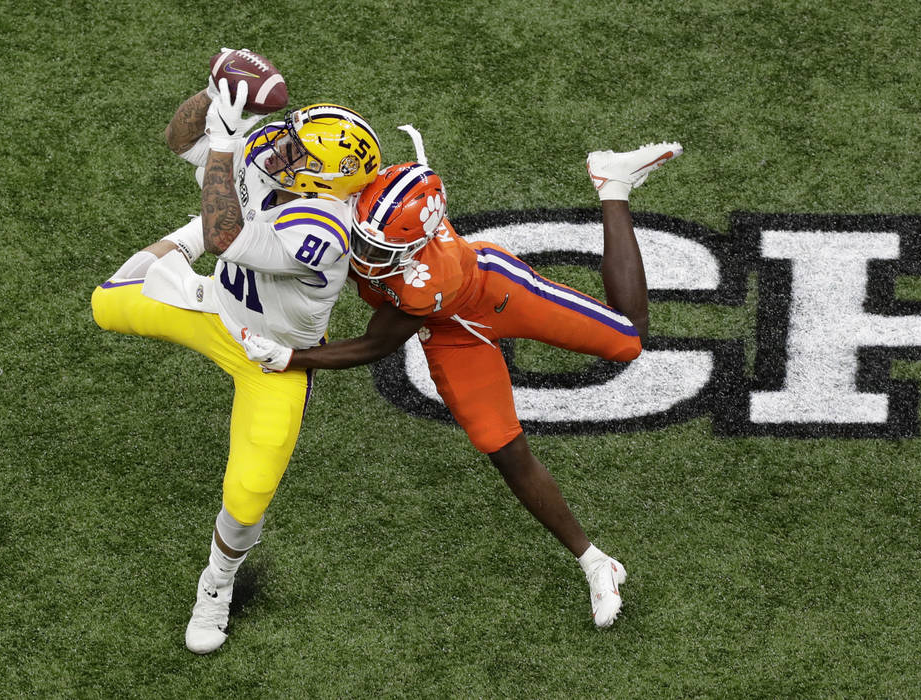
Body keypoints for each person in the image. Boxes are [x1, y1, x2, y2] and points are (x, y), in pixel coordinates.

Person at [242, 140, 682, 628]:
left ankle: (612, 183)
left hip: (493, 295)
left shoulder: (427, 281)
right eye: (362, 241)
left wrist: (292, 358)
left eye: (378, 250)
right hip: (447, 332)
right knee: (500, 444)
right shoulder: (357, 207)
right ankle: (596, 561)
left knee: (630, 338)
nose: (362, 255)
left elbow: (374, 346)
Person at [91, 68, 381, 653]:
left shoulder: (326, 228)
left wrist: (225, 148)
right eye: (292, 135)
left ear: (325, 181)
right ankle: (183, 240)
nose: (281, 147)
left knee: (249, 491)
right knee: (105, 302)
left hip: (272, 359)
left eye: (297, 149)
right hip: (218, 310)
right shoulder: (287, 168)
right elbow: (179, 140)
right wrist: (215, 91)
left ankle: (216, 586)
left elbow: (227, 236)